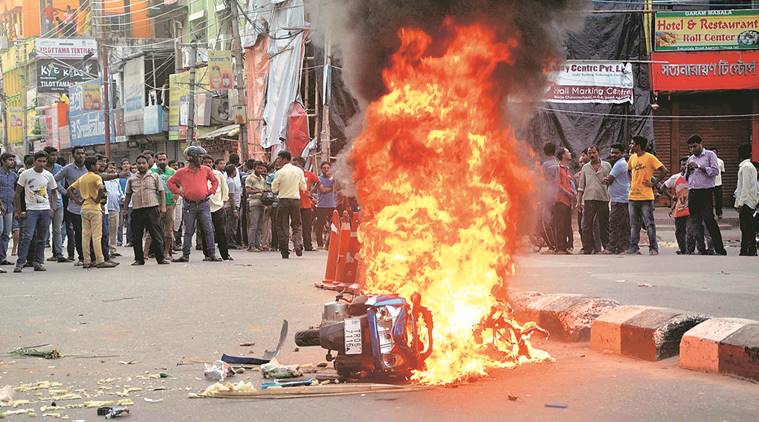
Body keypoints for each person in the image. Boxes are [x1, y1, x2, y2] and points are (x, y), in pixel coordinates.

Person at [167, 146, 220, 262]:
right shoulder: (181, 172)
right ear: (191, 158)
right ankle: (185, 255)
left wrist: (210, 192)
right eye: (199, 156)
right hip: (189, 204)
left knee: (208, 229)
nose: (201, 159)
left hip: (203, 203)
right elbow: (170, 183)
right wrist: (178, 191)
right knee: (189, 231)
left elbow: (215, 181)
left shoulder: (206, 170)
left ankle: (212, 254)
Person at [67, 156, 117, 269]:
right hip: (95, 208)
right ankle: (100, 260)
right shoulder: (96, 177)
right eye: (97, 164)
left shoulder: (82, 178)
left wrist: (78, 201)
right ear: (94, 166)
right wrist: (97, 199)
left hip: (84, 208)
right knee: (97, 235)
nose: (99, 166)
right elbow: (101, 187)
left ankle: (86, 260)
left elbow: (69, 189)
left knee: (85, 235)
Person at [14, 151, 58, 272]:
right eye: (39, 161)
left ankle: (38, 262)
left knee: (42, 238)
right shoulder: (25, 174)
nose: (42, 163)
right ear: (34, 161)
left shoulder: (48, 175)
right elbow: (17, 193)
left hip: (45, 210)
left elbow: (54, 192)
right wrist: (19, 210)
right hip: (31, 210)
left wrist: (53, 208)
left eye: (44, 161)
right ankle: (20, 262)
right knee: (27, 237)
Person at [685, 135, 727, 256]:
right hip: (693, 192)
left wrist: (699, 167)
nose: (692, 149)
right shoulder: (690, 158)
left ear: (701, 144)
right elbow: (686, 178)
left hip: (705, 192)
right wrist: (688, 171)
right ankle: (700, 249)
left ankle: (720, 249)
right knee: (694, 222)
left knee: (709, 221)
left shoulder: (710, 155)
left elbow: (715, 171)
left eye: (694, 146)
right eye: (690, 147)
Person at [627, 136, 668, 255]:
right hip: (633, 197)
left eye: (632, 143)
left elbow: (664, 170)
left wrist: (653, 183)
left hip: (646, 197)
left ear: (638, 146)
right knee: (634, 225)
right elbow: (628, 170)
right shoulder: (632, 157)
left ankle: (653, 248)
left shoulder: (650, 157)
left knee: (649, 223)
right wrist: (631, 182)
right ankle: (634, 247)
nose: (630, 145)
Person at [125, 155, 169, 265]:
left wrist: (163, 206)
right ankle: (139, 259)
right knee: (137, 236)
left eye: (143, 163)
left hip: (152, 209)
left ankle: (161, 258)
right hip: (137, 210)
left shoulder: (154, 176)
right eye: (138, 163)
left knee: (156, 235)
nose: (141, 165)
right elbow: (128, 195)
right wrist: (125, 209)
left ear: (147, 164)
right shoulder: (131, 179)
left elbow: (161, 191)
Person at [55, 146, 88, 265]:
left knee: (91, 232)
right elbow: (54, 180)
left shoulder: (89, 168)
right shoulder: (67, 169)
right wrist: (65, 192)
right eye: (78, 153)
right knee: (79, 232)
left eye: (83, 153)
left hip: (90, 205)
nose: (81, 155)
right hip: (75, 207)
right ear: (73, 155)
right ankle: (81, 257)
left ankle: (92, 256)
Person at [577, 146, 611, 254]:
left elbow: (611, 181)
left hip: (603, 198)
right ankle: (587, 248)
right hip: (589, 199)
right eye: (589, 153)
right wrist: (578, 202)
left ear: (598, 153)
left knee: (604, 224)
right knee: (586, 225)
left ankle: (607, 247)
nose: (592, 155)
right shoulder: (585, 168)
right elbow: (581, 186)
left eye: (594, 152)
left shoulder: (606, 166)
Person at [272, 150, 306, 259]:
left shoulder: (280, 172)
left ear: (285, 159)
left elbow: (274, 189)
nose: (278, 161)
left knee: (282, 226)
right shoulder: (298, 171)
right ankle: (297, 244)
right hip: (295, 200)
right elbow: (304, 187)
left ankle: (284, 251)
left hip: (283, 200)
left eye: (279, 159)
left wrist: (281, 188)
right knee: (297, 225)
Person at [603, 144, 630, 254]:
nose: (613, 155)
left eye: (616, 153)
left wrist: (605, 179)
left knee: (614, 224)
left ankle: (612, 247)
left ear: (622, 153)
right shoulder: (621, 163)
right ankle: (622, 247)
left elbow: (609, 180)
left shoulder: (619, 164)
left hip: (619, 200)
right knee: (622, 224)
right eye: (612, 152)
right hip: (620, 199)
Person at [150, 152, 176, 259]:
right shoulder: (151, 172)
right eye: (159, 160)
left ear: (167, 159)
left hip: (170, 204)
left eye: (164, 159)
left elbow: (179, 185)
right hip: (155, 204)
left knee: (168, 231)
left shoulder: (173, 172)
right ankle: (151, 252)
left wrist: (175, 197)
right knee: (154, 230)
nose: (162, 162)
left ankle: (166, 252)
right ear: (156, 160)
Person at [205, 157, 231, 261]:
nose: (207, 164)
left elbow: (225, 189)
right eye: (205, 162)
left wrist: (223, 202)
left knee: (221, 231)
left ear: (212, 164)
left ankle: (225, 254)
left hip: (218, 207)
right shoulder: (199, 174)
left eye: (209, 162)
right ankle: (207, 254)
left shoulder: (218, 174)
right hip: (204, 207)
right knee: (206, 231)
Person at [663, 158, 691, 255]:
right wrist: (672, 197)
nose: (685, 167)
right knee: (679, 230)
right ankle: (682, 249)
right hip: (680, 208)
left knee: (691, 230)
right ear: (680, 166)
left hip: (692, 208)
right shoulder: (675, 178)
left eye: (687, 164)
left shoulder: (695, 177)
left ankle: (690, 249)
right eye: (683, 164)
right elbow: (663, 187)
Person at [734, 144, 758, 256]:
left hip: (747, 202)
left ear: (739, 154)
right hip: (749, 201)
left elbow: (745, 187)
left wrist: (740, 203)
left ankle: (747, 250)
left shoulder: (746, 167)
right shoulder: (747, 166)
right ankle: (749, 249)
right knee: (748, 227)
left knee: (746, 227)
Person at [292, 157, 319, 251]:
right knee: (296, 226)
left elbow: (318, 182)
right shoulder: (293, 175)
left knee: (307, 226)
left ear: (301, 164)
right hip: (295, 203)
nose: (293, 166)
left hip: (306, 204)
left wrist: (312, 191)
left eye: (295, 164)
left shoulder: (308, 174)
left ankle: (308, 245)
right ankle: (297, 245)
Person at [554, 148, 574, 255]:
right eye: (567, 152)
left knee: (567, 224)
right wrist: (568, 193)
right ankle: (560, 247)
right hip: (560, 200)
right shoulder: (558, 168)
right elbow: (558, 184)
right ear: (562, 155)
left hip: (567, 201)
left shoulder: (566, 169)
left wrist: (572, 192)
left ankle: (565, 246)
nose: (570, 153)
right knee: (560, 224)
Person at [245, 161, 269, 252]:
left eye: (261, 168)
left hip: (262, 203)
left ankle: (258, 244)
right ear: (254, 167)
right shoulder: (250, 178)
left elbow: (263, 189)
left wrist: (264, 190)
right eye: (258, 168)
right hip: (254, 203)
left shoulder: (262, 178)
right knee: (253, 225)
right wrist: (259, 191)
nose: (260, 170)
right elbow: (248, 191)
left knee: (260, 226)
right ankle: (251, 245)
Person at [0, 153, 18, 268]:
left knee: (6, 233)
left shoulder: (14, 175)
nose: (12, 162)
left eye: (13, 160)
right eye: (9, 160)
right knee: (0, 231)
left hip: (9, 207)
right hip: (0, 206)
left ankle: (2, 258)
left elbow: (16, 192)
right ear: (3, 161)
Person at [314, 161, 336, 249]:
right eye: (324, 168)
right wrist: (331, 188)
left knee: (333, 225)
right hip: (321, 206)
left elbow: (337, 188)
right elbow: (322, 190)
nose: (326, 169)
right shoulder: (318, 179)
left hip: (332, 205)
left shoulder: (334, 179)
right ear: (321, 169)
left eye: (328, 168)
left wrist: (331, 187)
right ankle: (319, 244)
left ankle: (329, 244)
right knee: (320, 225)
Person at [104, 162, 123, 257]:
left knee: (114, 229)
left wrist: (122, 198)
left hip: (115, 208)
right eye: (110, 168)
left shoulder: (117, 181)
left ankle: (113, 250)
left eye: (114, 168)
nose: (112, 170)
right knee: (105, 230)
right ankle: (105, 250)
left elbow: (120, 193)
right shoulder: (104, 180)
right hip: (105, 209)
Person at [224, 164, 241, 250]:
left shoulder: (230, 181)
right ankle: (230, 242)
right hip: (231, 206)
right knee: (232, 225)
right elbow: (231, 196)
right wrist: (234, 209)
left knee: (231, 224)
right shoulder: (230, 182)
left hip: (232, 205)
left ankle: (230, 242)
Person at [118, 158, 131, 247]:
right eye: (124, 164)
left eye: (127, 163)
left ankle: (129, 240)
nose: (126, 165)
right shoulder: (118, 177)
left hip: (130, 202)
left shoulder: (133, 176)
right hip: (120, 202)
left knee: (130, 222)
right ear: (121, 166)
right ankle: (119, 240)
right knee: (120, 223)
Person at [713, 148, 725, 219]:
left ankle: (719, 213)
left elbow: (722, 172)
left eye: (715, 152)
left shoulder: (720, 161)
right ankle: (710, 213)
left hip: (718, 184)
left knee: (719, 199)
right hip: (710, 184)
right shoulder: (708, 161)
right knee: (709, 200)